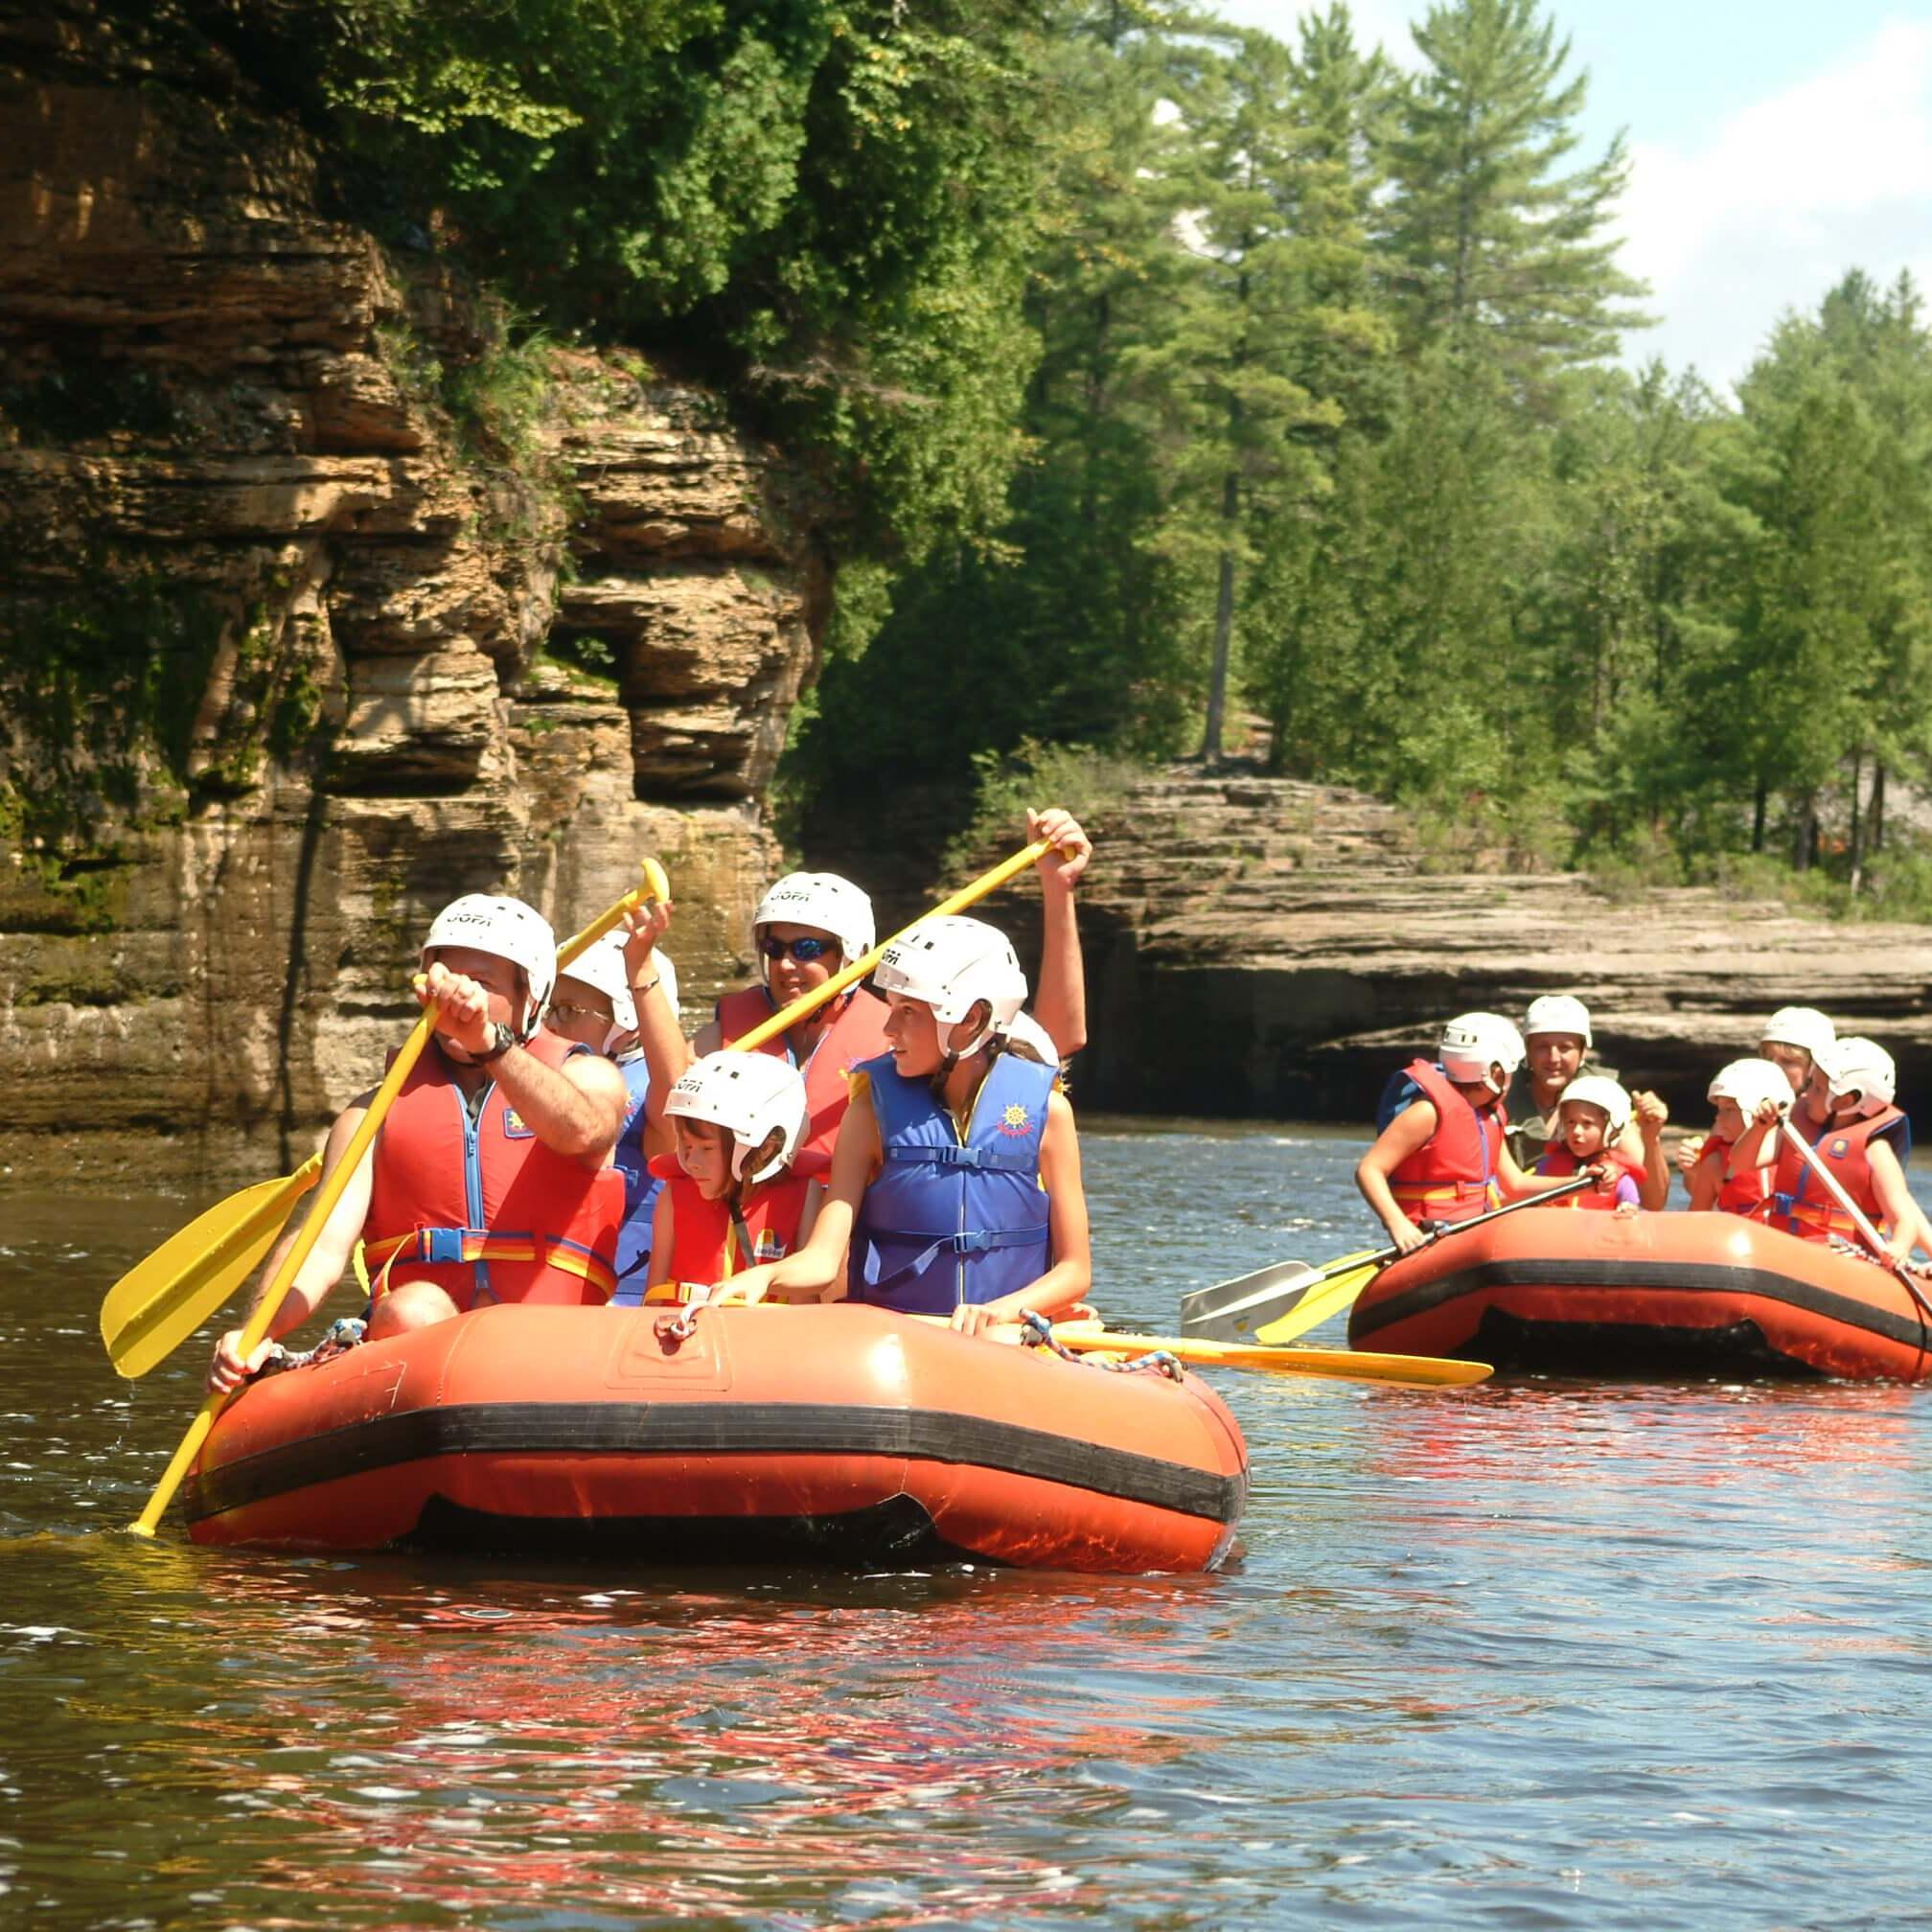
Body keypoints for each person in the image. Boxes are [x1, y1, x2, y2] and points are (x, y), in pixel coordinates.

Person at [208, 895, 629, 1392]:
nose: (457, 996)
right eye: (444, 977)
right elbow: (321, 1245)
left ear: (530, 997)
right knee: (413, 1309)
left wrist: (489, 1041)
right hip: (422, 1350)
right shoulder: (372, 1114)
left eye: (484, 983)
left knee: (464, 1320)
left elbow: (582, 1131)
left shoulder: (589, 1077)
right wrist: (259, 1329)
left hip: (551, 1348)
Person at [635, 807, 1094, 1168]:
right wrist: (641, 974)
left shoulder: (900, 1030)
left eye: (809, 948)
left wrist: (1058, 892)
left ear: (851, 955)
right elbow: (671, 1105)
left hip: (846, 1243)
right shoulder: (730, 1033)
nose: (786, 965)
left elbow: (1057, 1039)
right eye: (774, 948)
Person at [712, 915, 1092, 1336]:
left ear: (970, 1019)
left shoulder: (1050, 1113)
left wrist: (1005, 1311)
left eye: (908, 1012)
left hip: (1005, 1338)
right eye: (891, 1008)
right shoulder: (869, 1112)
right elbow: (822, 1258)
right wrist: (763, 1278)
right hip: (896, 1343)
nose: (889, 1030)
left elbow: (1075, 1271)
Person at [1358, 1013, 1578, 1254]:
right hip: (1426, 1237)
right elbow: (1370, 1169)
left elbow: (1515, 1184)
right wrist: (1397, 1224)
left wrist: (1581, 1183)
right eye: (1511, 1072)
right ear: (1495, 1073)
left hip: (1471, 1234)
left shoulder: (1491, 1116)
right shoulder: (1427, 1112)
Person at [545, 929, 680, 1305]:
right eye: (549, 1009)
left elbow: (674, 1099)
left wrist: (640, 973)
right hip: (550, 1298)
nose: (551, 1025)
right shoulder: (529, 1087)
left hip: (628, 1308)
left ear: (628, 1026)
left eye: (569, 1011)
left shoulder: (657, 1093)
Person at [643, 1051, 822, 1299]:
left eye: (707, 1148)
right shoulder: (672, 1196)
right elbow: (653, 1294)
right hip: (687, 1332)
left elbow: (805, 1301)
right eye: (687, 1146)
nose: (692, 1162)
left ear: (766, 1146)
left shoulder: (804, 1195)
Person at [1745, 1038, 1924, 1261]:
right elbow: (1743, 1162)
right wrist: (1759, 1128)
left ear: (1845, 1101)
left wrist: (1899, 1247)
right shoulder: (1795, 1125)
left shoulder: (1876, 1151)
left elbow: (1904, 1219)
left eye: (1817, 1089)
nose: (1807, 1094)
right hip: (1784, 1244)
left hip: (1841, 1258)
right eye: (1810, 1083)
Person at [1505, 994, 1671, 1209]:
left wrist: (1651, 1137)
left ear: (1582, 1051)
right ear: (1527, 1050)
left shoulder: (1607, 1102)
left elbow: (1653, 1203)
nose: (1553, 1058)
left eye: (1565, 1047)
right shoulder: (1500, 1096)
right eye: (1542, 1047)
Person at [1683, 1059, 1790, 1215]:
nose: (1719, 1118)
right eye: (1719, 1110)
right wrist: (1692, 1173)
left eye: (1729, 1109)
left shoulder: (1793, 1154)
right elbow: (1693, 1223)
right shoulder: (1715, 1164)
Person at [1533, 1076, 1644, 1212]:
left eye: (1587, 1123)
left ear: (1612, 1129)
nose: (1576, 1131)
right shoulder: (1546, 1167)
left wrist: (1628, 1208)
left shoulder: (1620, 1180)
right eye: (1570, 1122)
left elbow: (1631, 1210)